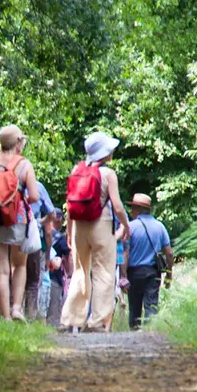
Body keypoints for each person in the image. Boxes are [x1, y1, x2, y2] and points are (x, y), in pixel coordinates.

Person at [60, 131, 130, 333]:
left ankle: (70, 319)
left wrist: (69, 230)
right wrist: (125, 225)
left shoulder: (76, 170)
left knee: (80, 272)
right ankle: (97, 321)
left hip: (79, 226)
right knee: (104, 273)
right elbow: (117, 206)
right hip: (101, 224)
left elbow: (70, 203)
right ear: (104, 152)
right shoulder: (108, 174)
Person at [0, 125, 40, 321]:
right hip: (18, 218)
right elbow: (35, 196)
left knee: (0, 269)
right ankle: (16, 309)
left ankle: (5, 316)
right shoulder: (24, 164)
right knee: (19, 265)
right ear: (17, 143)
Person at [123, 192, 173, 329]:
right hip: (153, 273)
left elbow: (125, 253)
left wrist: (123, 275)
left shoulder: (130, 227)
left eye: (132, 208)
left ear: (138, 210)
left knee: (134, 307)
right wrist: (169, 274)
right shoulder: (160, 226)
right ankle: (149, 334)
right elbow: (169, 253)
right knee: (151, 305)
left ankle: (134, 335)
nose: (131, 211)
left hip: (134, 273)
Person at [23, 178, 55, 320]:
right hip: (32, 239)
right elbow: (50, 221)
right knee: (33, 281)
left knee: (12, 276)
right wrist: (48, 256)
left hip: (9, 239)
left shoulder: (7, 184)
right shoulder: (38, 187)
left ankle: (12, 314)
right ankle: (30, 316)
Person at [44, 210, 70, 327]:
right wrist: (70, 273)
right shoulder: (60, 239)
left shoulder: (42, 233)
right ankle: (52, 331)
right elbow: (68, 255)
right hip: (55, 278)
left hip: (42, 274)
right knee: (54, 310)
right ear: (59, 220)